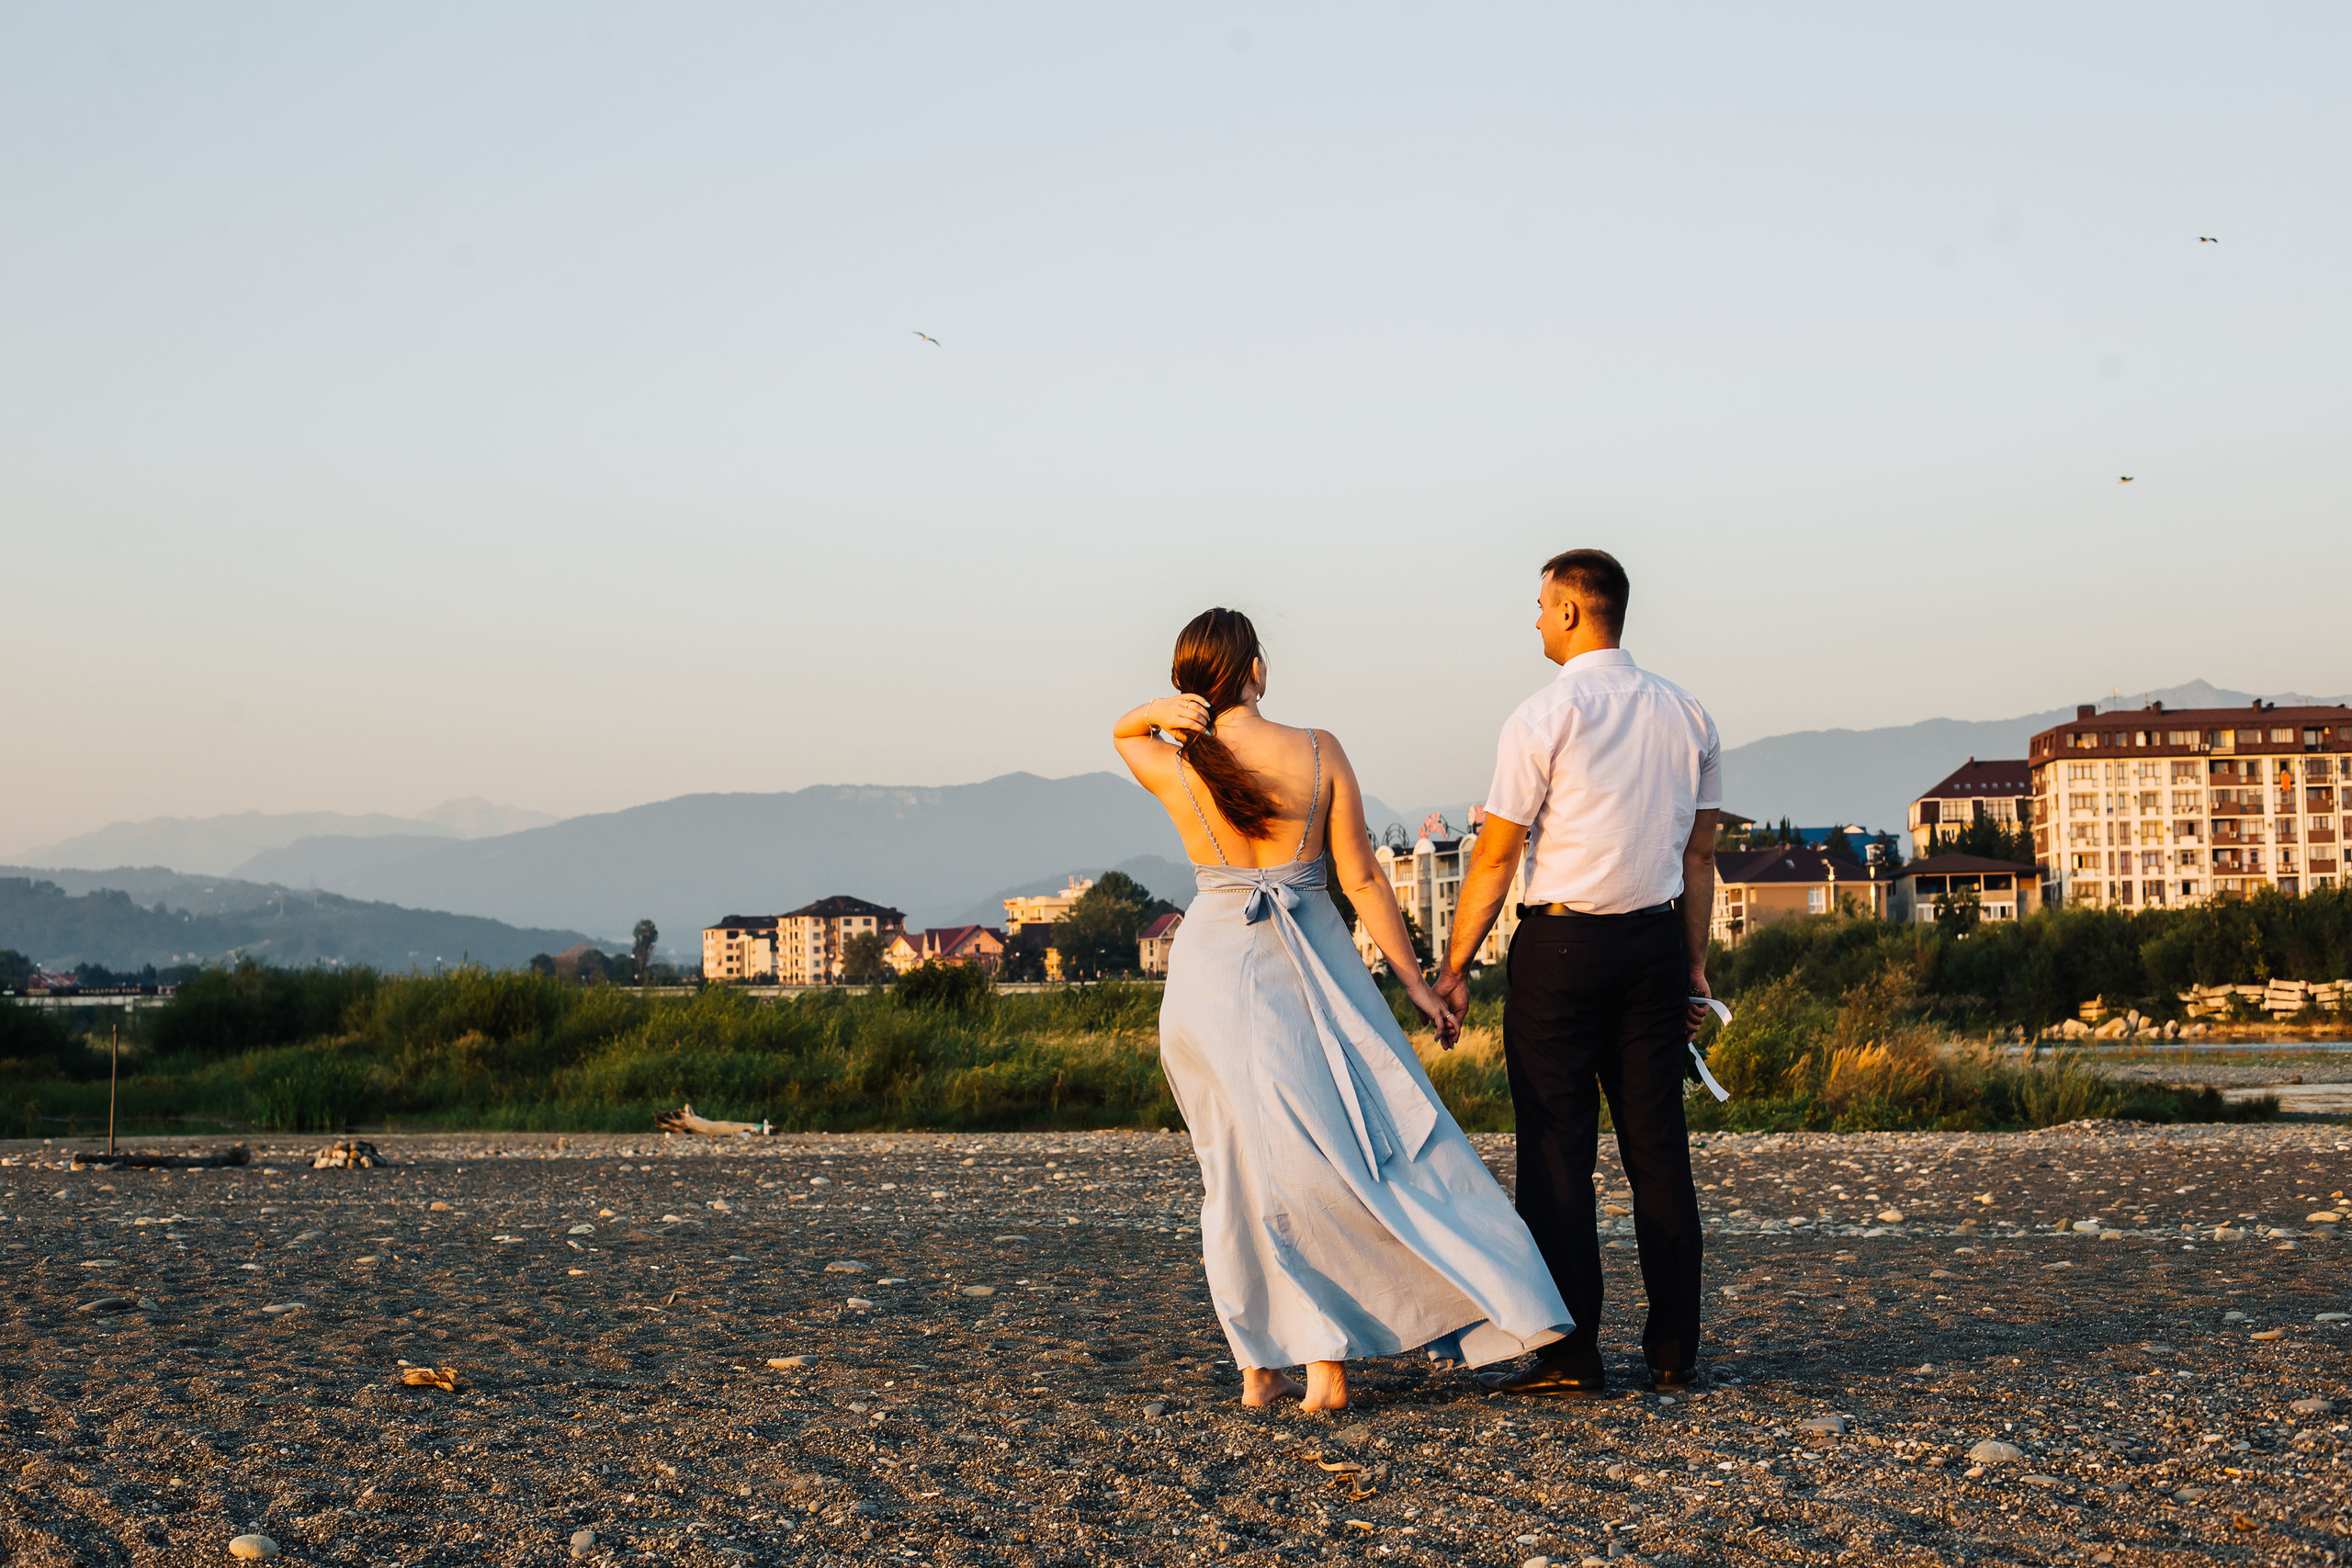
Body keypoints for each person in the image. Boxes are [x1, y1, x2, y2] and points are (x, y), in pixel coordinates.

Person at [1113, 607, 1574, 1412]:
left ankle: (1266, 1363)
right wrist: (1420, 984)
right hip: (1306, 970)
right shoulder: (1319, 750)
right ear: (1256, 668)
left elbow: (1122, 734)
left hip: (1210, 977)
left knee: (1236, 1169)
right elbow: (1362, 880)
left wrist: (1157, 714)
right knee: (1342, 1156)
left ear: (1190, 684)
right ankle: (1319, 1358)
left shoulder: (1177, 765)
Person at [1432, 549, 1720, 1398]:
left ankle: (1571, 1353)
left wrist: (1455, 966)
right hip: (1656, 944)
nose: (1533, 620)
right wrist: (1694, 965)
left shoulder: (1541, 716)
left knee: (1557, 1152)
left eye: (1538, 605)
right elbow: (1699, 855)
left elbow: (1494, 856)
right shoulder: (1690, 713)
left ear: (1568, 612)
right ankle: (1673, 1352)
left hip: (1560, 951)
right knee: (1658, 1148)